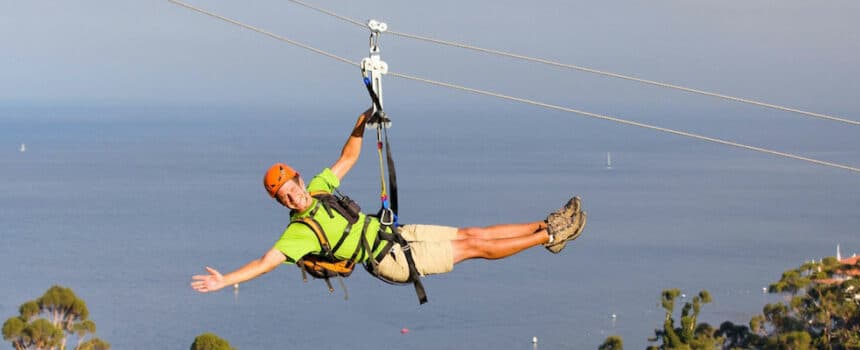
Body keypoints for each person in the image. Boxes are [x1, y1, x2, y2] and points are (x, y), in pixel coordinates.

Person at [190, 108, 586, 294]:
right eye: (284, 197)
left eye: (291, 186)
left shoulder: (319, 187)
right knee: (475, 248)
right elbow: (265, 263)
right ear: (282, 203)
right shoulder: (299, 234)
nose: (293, 194)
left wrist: (360, 124)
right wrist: (226, 279)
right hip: (390, 260)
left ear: (297, 177)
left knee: (473, 232)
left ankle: (545, 222)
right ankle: (550, 236)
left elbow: (347, 158)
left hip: (393, 232)